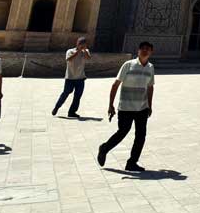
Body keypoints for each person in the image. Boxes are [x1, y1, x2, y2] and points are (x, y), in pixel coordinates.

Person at [97, 41, 155, 172]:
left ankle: (132, 162)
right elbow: (115, 85)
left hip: (142, 107)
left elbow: (150, 87)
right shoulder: (128, 65)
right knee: (122, 132)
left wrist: (150, 105)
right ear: (138, 51)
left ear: (151, 52)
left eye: (147, 49)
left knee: (141, 136)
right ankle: (104, 148)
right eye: (142, 48)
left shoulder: (150, 67)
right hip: (126, 107)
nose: (145, 51)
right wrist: (111, 105)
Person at [52, 35, 90, 117]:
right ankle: (57, 107)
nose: (82, 46)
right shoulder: (70, 51)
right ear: (77, 44)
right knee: (65, 93)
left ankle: (72, 112)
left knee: (77, 96)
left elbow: (88, 58)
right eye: (80, 44)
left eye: (84, 44)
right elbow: (68, 59)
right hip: (70, 78)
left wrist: (84, 51)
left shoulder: (86, 51)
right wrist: (77, 52)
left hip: (80, 78)